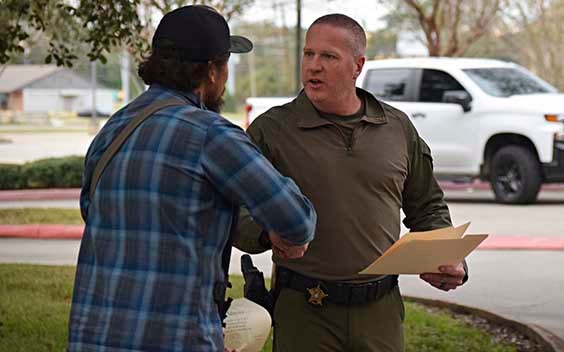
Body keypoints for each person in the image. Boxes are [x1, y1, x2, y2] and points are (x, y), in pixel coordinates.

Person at [68, 5, 316, 352]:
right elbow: (297, 221)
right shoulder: (211, 135)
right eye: (226, 65)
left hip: (94, 337)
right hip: (176, 338)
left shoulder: (113, 129)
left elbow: (91, 212)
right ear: (212, 72)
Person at [234, 14, 468, 352]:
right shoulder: (272, 130)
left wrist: (447, 258)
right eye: (308, 54)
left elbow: (427, 205)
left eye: (328, 57)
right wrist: (265, 233)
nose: (313, 66)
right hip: (304, 312)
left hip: (381, 311)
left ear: (357, 65)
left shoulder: (396, 128)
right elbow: (235, 206)